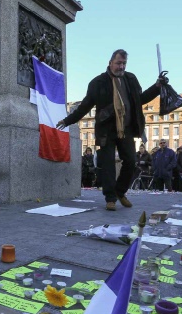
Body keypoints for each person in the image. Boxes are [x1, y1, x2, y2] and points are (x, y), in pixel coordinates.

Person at [56, 49, 163, 211]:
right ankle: (110, 198)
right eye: (119, 63)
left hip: (126, 128)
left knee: (130, 161)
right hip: (106, 130)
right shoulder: (98, 83)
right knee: (107, 165)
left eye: (124, 63)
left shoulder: (131, 79)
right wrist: (67, 120)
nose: (121, 67)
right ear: (110, 63)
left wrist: (157, 87)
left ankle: (120, 191)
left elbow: (140, 100)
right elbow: (85, 106)